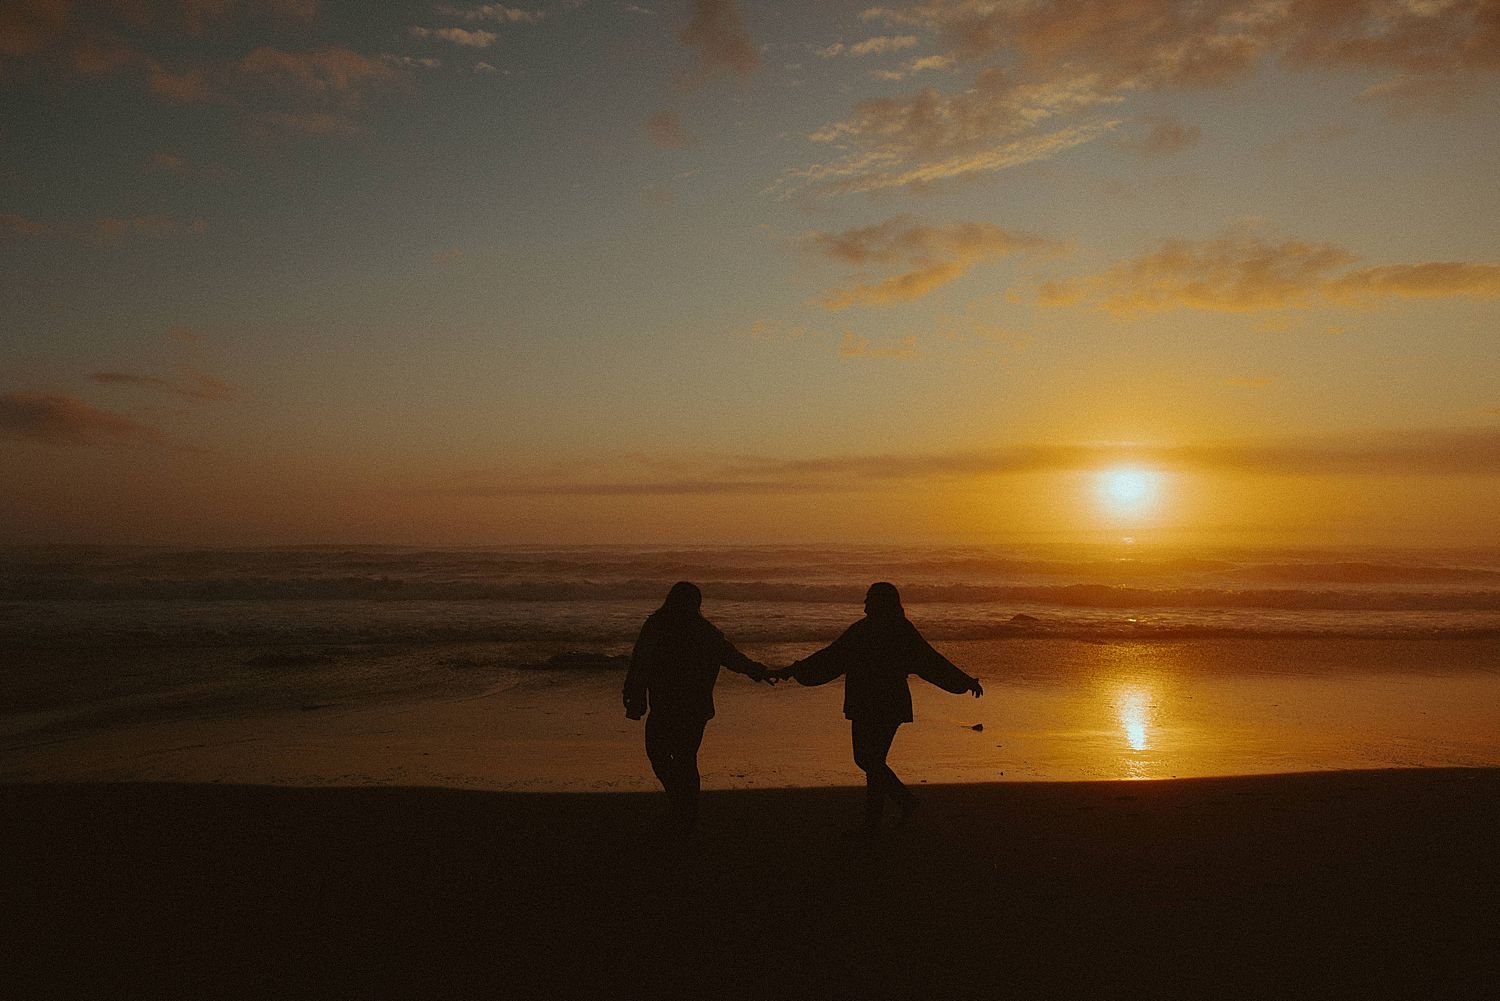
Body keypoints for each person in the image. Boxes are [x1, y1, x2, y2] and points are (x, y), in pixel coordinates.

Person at [770, 582, 982, 834]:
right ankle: (894, 808)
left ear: (881, 602)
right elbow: (832, 656)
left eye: (869, 599)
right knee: (869, 759)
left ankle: (884, 815)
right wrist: (793, 669)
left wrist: (964, 681)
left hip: (876, 703)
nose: (865, 604)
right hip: (879, 703)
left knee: (868, 759)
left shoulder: (879, 631)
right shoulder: (886, 629)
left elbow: (929, 659)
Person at [623, 581, 773, 832]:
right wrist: (758, 670)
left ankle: (682, 809)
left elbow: (640, 661)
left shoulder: (659, 626)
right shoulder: (704, 631)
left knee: (660, 755)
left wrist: (633, 694)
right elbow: (733, 658)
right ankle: (685, 810)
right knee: (683, 759)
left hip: (668, 705)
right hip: (693, 708)